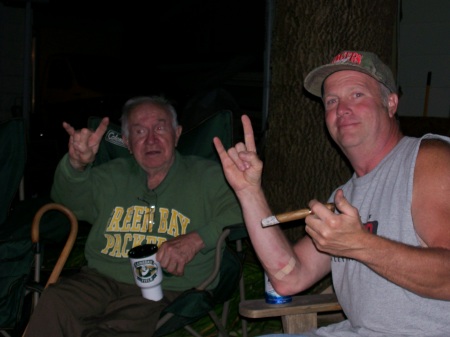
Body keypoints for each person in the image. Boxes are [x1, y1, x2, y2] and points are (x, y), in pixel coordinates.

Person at [213, 51, 450, 336]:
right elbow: (289, 278)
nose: (342, 109)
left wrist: (360, 244)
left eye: (357, 95)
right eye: (332, 101)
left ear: (390, 103)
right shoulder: (344, 196)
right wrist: (248, 191)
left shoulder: (428, 160)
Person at [24, 96, 243, 337]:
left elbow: (245, 209)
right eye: (139, 131)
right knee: (56, 301)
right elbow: (68, 199)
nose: (151, 139)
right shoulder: (111, 176)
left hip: (166, 287)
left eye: (160, 128)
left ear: (177, 134)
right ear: (127, 142)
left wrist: (197, 239)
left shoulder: (207, 177)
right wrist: (76, 165)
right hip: (100, 280)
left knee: (108, 331)